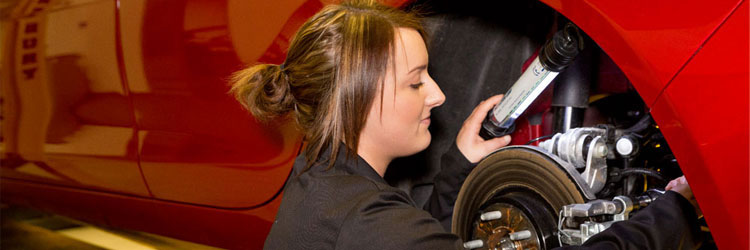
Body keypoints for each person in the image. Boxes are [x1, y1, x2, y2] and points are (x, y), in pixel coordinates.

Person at [230, 1, 701, 249]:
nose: (438, 94)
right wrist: (670, 216)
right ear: (359, 101)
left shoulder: (320, 181)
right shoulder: (370, 225)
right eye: (416, 83)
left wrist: (460, 164)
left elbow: (413, 235)